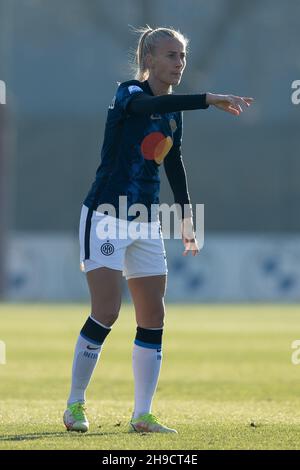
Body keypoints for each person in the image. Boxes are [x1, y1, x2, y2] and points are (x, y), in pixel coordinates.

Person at [63, 25, 253, 434]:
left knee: (153, 316)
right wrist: (208, 98)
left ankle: (143, 415)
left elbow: (173, 161)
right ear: (148, 60)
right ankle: (75, 404)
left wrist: (186, 217)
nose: (178, 63)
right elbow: (142, 112)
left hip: (147, 222)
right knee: (107, 311)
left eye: (182, 56)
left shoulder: (174, 112)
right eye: (170, 55)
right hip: (105, 215)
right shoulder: (128, 94)